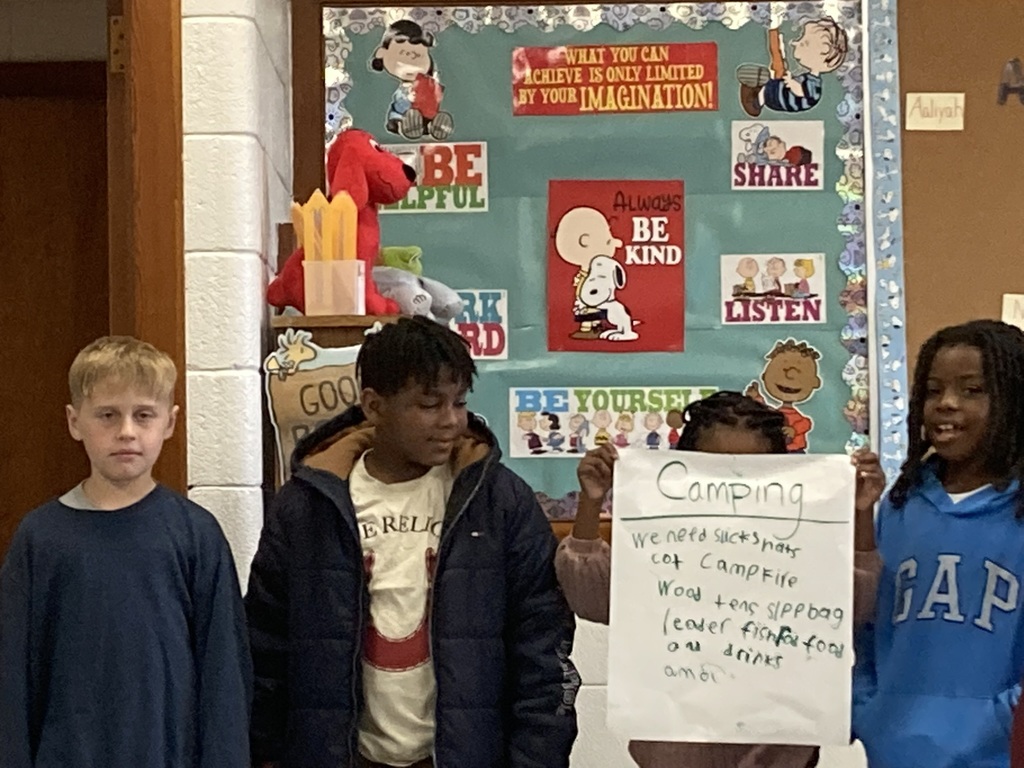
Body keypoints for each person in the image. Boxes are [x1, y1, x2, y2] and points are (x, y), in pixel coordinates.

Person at [246, 316, 579, 768]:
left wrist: (537, 757)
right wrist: (264, 754)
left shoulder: (499, 501)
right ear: (374, 405)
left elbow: (543, 643)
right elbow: (265, 647)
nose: (450, 421)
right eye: (428, 405)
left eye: (458, 402)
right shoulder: (308, 506)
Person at [555, 391, 885, 768]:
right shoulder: (661, 545)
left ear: (783, 477)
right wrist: (591, 501)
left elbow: (858, 603)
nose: (734, 490)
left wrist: (861, 514)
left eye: (751, 475)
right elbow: (589, 596)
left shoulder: (798, 547)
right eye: (717, 473)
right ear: (683, 469)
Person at [0, 336, 251, 768]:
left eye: (144, 415)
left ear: (170, 423)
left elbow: (224, 677)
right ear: (74, 421)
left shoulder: (196, 535)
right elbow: (12, 679)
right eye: (108, 415)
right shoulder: (40, 539)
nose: (127, 432)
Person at [853, 319, 1024, 767]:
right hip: (892, 748)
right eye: (932, 390)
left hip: (996, 755)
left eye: (973, 390)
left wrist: (997, 723)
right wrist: (868, 708)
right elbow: (867, 625)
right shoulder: (901, 504)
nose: (946, 404)